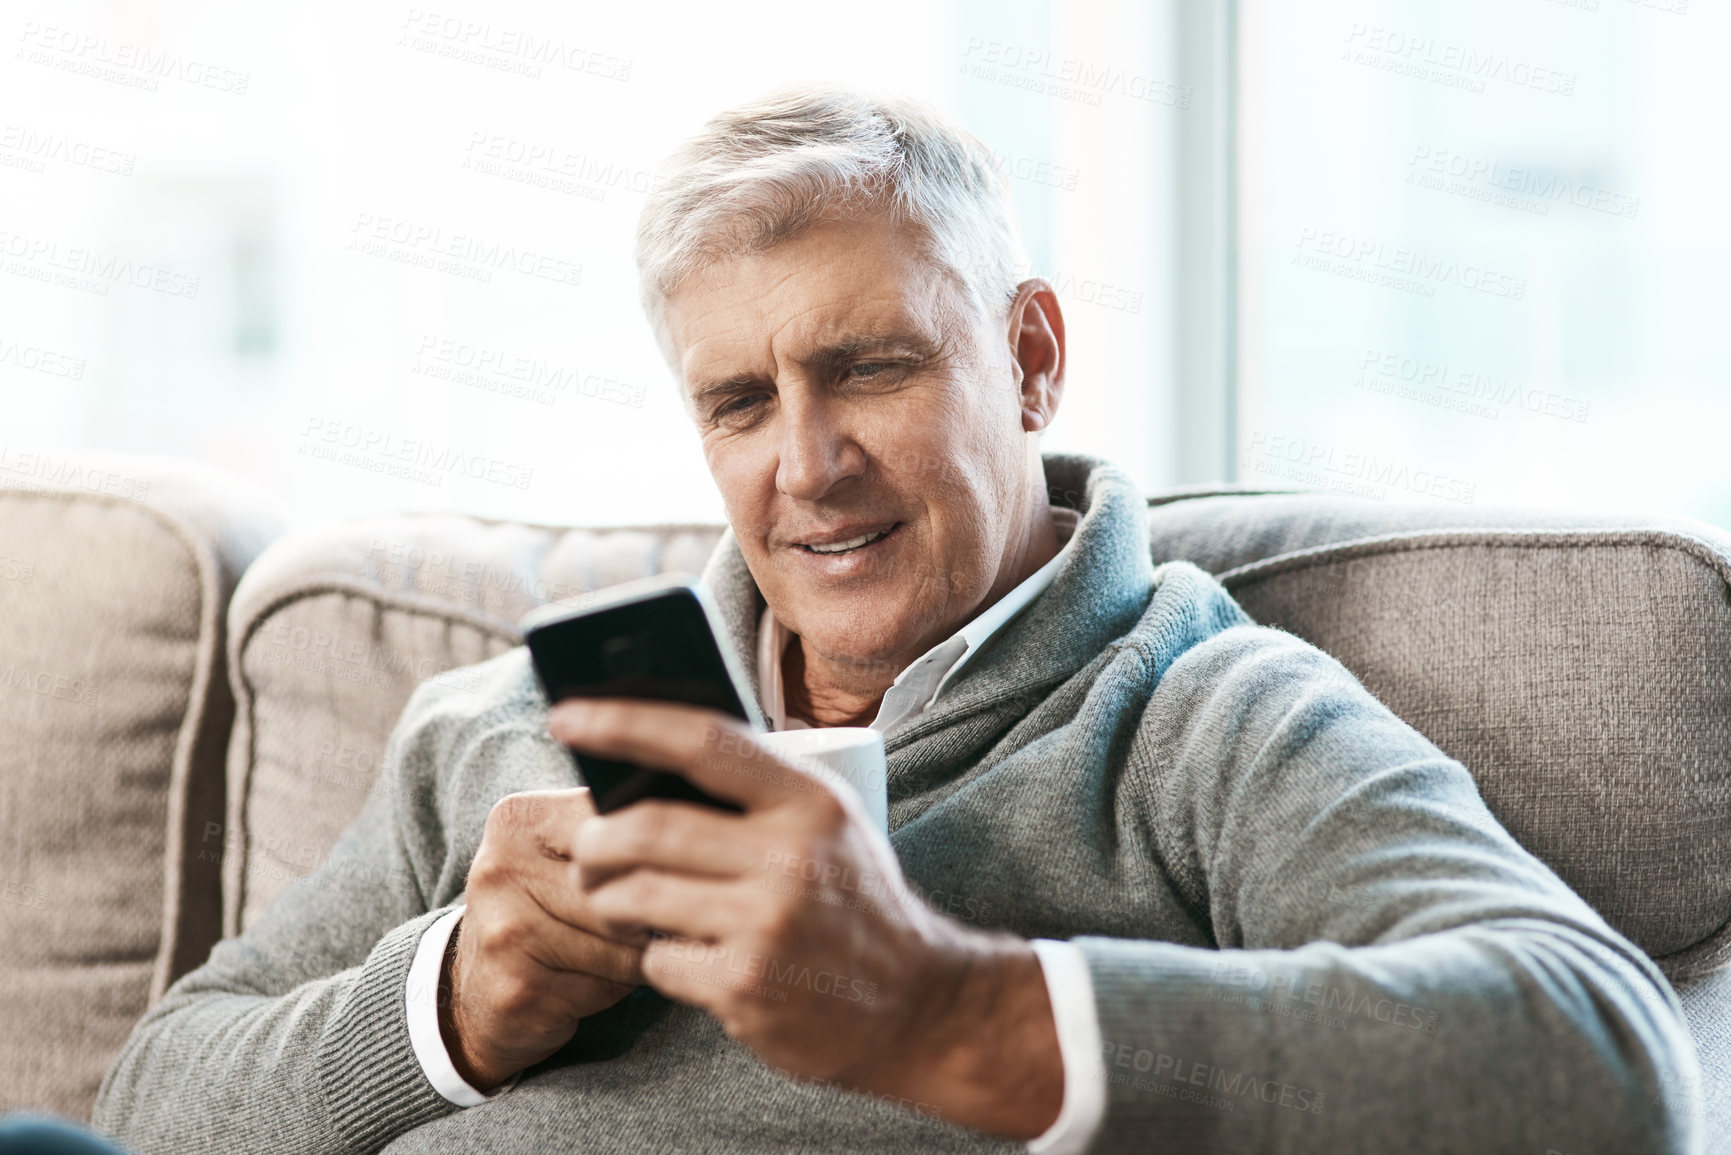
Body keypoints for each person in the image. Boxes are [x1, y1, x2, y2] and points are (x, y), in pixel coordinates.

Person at [93, 86, 1698, 1154]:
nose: (808, 465)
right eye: (740, 401)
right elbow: (151, 1102)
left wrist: (947, 1009)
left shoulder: (1201, 716)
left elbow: (1603, 1064)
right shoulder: (518, 725)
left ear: (1031, 358)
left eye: (870, 366)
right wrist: (441, 1002)